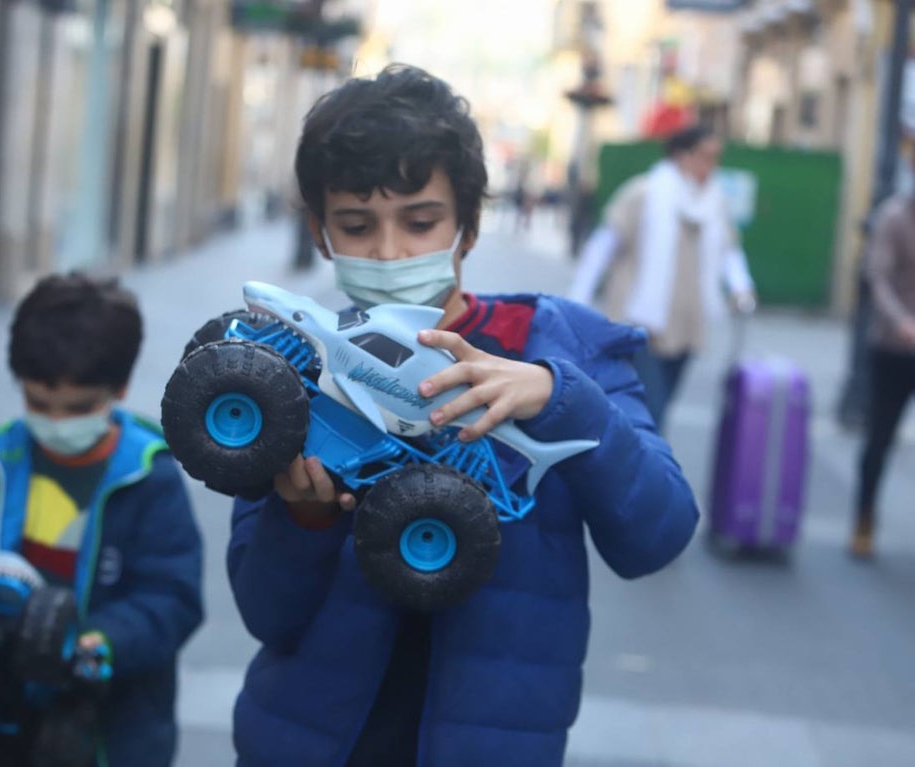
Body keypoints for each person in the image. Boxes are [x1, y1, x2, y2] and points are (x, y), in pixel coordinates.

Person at [226, 64, 699, 767]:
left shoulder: (559, 344)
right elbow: (267, 613)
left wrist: (558, 394)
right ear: (322, 237)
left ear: (469, 227)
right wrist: (304, 519)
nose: (389, 252)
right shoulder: (294, 367)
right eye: (356, 225)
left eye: (421, 222)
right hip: (311, 741)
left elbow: (658, 533)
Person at [0, 273, 203, 766]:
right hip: (2, 715)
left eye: (78, 408)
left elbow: (171, 598)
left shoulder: (148, 479)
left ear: (120, 387)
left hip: (110, 733)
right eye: (39, 404)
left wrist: (101, 642)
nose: (58, 423)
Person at [568, 125, 757, 433]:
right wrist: (577, 301)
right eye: (706, 156)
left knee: (661, 405)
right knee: (651, 412)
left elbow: (728, 252)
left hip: (686, 325)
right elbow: (602, 246)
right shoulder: (644, 192)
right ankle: (641, 476)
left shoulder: (714, 202)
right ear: (682, 156)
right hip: (640, 323)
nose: (712, 165)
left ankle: (633, 468)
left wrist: (741, 287)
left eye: (716, 158)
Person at [850, 155, 915, 559]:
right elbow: (877, 276)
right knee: (879, 437)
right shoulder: (894, 217)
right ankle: (864, 517)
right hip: (894, 347)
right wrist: (903, 323)